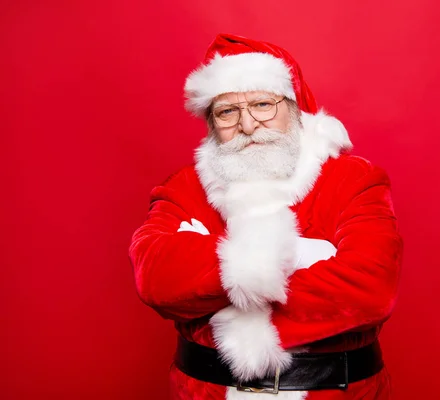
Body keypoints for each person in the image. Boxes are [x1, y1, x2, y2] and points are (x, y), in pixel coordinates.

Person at [129, 33, 403, 400]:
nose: (247, 124)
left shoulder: (355, 180)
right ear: (211, 122)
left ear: (293, 106)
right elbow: (157, 279)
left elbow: (371, 289)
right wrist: (292, 257)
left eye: (262, 104)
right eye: (227, 111)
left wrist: (218, 272)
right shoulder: (182, 188)